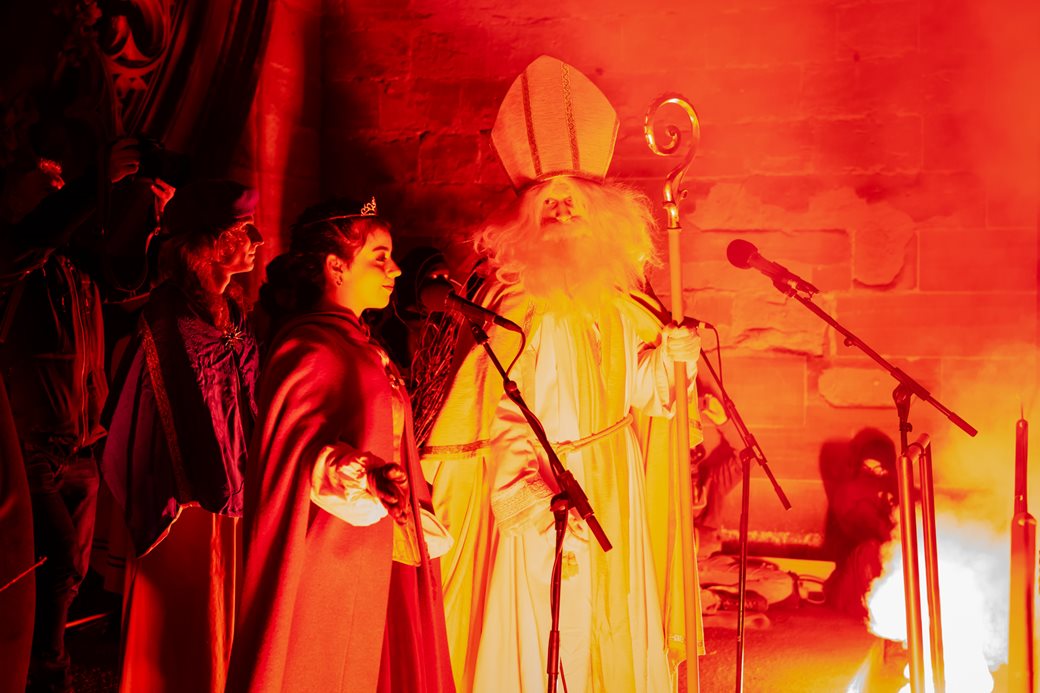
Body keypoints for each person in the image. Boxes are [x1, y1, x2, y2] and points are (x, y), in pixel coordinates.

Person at [418, 55, 701, 693]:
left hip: (616, 474)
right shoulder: (514, 303)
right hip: (549, 484)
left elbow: (644, 392)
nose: (563, 213)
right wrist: (526, 497)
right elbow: (502, 408)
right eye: (549, 204)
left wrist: (672, 358)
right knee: (555, 623)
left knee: (614, 617)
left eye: (573, 202)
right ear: (526, 217)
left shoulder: (619, 301)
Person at [225, 197, 454, 693]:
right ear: (336, 267)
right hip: (326, 556)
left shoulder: (360, 344)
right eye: (380, 256)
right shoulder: (310, 347)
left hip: (373, 550)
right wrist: (364, 474)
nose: (395, 269)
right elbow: (297, 452)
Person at [100, 179, 263, 693]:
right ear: (210, 243)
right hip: (185, 497)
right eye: (244, 230)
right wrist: (209, 476)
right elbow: (170, 404)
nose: (257, 240)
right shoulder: (169, 315)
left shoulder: (233, 310)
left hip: (234, 480)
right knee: (186, 604)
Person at [0, 137, 140, 693]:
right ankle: (46, 673)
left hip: (81, 442)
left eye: (62, 187)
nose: (59, 198)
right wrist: (94, 183)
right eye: (46, 190)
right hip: (29, 443)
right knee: (53, 563)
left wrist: (149, 208)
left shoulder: (75, 269)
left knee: (70, 570)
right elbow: (41, 232)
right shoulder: (12, 259)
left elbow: (132, 282)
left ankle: (37, 664)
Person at [820, 427, 898, 619]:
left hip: (891, 565)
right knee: (871, 551)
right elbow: (867, 527)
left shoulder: (896, 487)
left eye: (881, 468)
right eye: (868, 467)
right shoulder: (849, 494)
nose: (875, 473)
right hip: (856, 576)